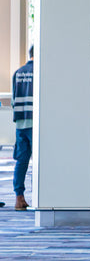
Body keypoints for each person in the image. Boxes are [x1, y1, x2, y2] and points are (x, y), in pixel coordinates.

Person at [11, 45, 32, 210]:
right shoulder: (39, 73)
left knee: (21, 161)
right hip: (36, 124)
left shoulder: (18, 73)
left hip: (20, 123)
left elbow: (13, 100)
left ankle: (19, 198)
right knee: (42, 162)